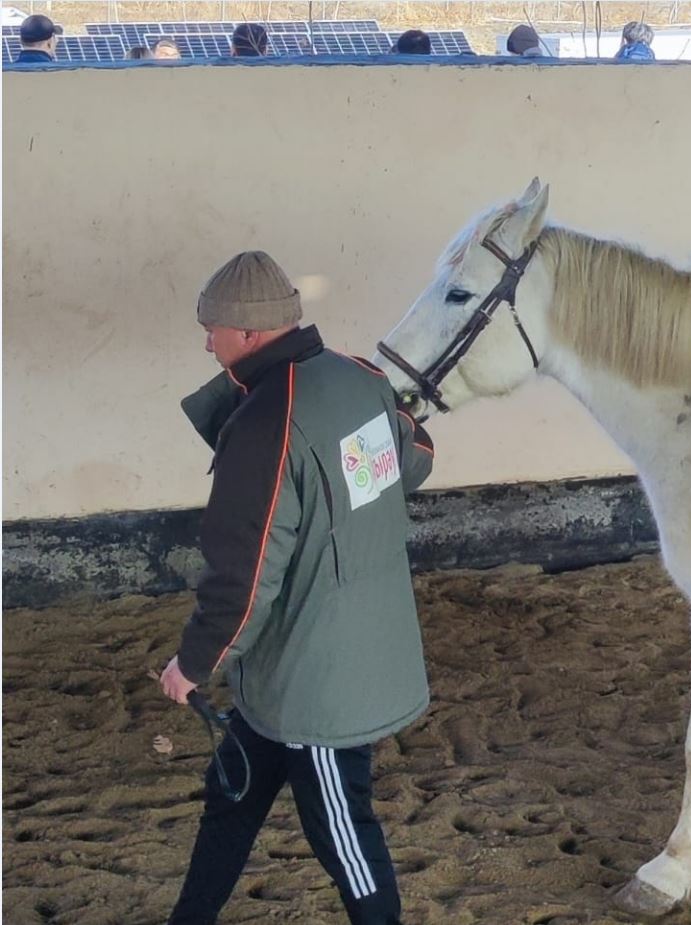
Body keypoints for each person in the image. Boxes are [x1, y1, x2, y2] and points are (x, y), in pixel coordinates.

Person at [159, 251, 435, 925]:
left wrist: (193, 663)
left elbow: (242, 576)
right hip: (309, 659)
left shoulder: (264, 423)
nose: (206, 341)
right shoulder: (358, 378)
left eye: (214, 327)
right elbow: (416, 458)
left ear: (250, 334)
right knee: (232, 794)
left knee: (343, 832)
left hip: (321, 679)